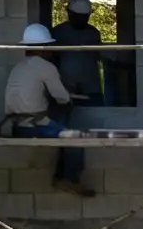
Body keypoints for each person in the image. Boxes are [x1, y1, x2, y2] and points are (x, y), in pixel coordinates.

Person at [5, 23, 89, 194]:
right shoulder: (46, 67)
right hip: (35, 127)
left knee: (58, 120)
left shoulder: (18, 67)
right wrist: (67, 94)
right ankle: (67, 178)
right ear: (44, 48)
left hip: (15, 126)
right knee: (76, 139)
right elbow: (62, 98)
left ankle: (62, 175)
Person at [48, 0, 108, 109]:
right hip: (66, 90)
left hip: (91, 89)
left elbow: (99, 57)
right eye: (78, 16)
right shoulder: (58, 32)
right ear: (69, 13)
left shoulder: (93, 33)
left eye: (84, 17)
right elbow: (51, 61)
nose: (81, 20)